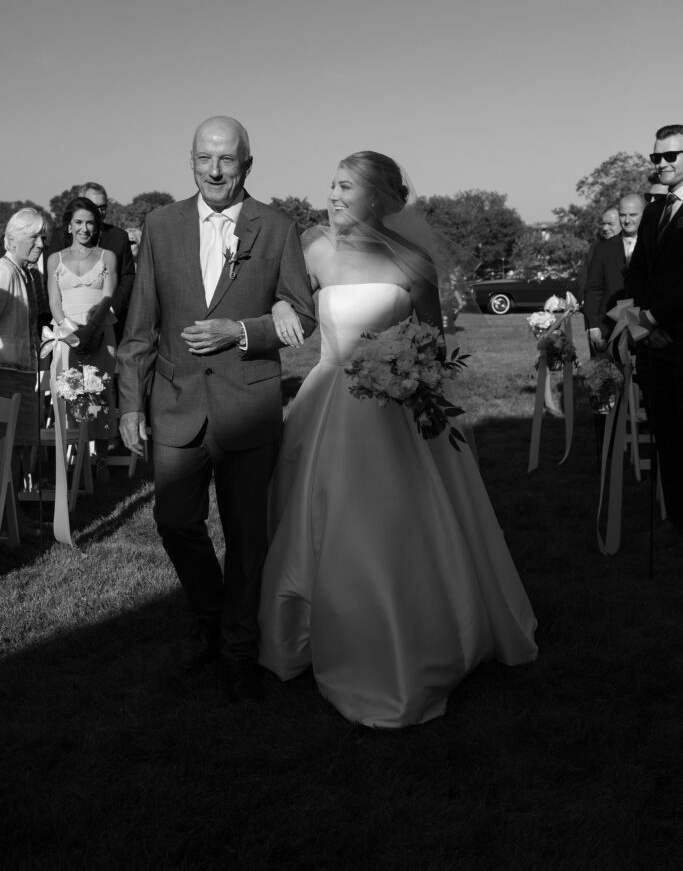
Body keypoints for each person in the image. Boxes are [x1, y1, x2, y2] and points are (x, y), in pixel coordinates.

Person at [258, 151, 538, 729]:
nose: (333, 196)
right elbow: (289, 298)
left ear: (382, 198)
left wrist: (406, 365)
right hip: (326, 403)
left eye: (347, 188)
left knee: (389, 521)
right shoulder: (313, 246)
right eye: (331, 185)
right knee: (315, 514)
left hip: (393, 409)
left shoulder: (412, 261)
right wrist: (287, 302)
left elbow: (433, 342)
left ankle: (408, 638)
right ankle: (309, 632)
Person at [117, 115, 316, 702]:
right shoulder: (160, 224)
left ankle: (237, 647)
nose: (215, 169)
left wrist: (243, 330)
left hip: (248, 406)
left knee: (247, 536)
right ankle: (211, 620)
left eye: (227, 159)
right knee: (175, 522)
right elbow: (140, 322)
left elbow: (302, 315)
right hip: (176, 403)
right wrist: (131, 403)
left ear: (247, 164)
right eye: (204, 157)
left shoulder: (277, 227)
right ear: (191, 161)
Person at [626, 124, 683, 545]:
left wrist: (655, 320)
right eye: (656, 157)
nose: (662, 164)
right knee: (668, 439)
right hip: (656, 348)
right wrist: (645, 328)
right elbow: (637, 275)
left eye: (671, 156)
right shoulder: (653, 211)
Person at [46, 197, 118, 480]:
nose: (84, 228)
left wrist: (90, 330)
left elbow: (107, 298)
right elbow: (54, 301)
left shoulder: (107, 257)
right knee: (70, 394)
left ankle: (100, 460)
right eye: (78, 222)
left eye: (90, 222)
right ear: (69, 225)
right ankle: (73, 464)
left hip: (100, 334)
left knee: (99, 393)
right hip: (67, 337)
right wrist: (69, 331)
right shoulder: (55, 258)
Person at [0, 209, 48, 539]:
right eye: (34, 237)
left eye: (43, 236)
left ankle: (13, 518)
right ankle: (9, 520)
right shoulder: (4, 272)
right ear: (13, 239)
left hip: (21, 371)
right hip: (6, 373)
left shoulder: (26, 273)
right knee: (8, 450)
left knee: (18, 449)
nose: (41, 243)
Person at [47, 184, 135, 344]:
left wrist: (110, 309)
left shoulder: (119, 237)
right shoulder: (59, 237)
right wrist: (66, 327)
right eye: (94, 206)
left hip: (107, 322)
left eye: (103, 207)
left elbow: (127, 276)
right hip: (67, 326)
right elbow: (53, 287)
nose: (99, 211)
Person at [584, 193, 645, 351]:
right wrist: (593, 327)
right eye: (623, 215)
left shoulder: (653, 244)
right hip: (608, 328)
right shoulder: (603, 248)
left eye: (633, 215)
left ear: (644, 214)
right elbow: (593, 289)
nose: (627, 220)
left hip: (645, 328)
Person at [576, 206, 620, 306]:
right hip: (597, 307)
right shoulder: (595, 247)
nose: (605, 228)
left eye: (610, 224)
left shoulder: (632, 246)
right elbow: (584, 276)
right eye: (603, 224)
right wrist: (584, 298)